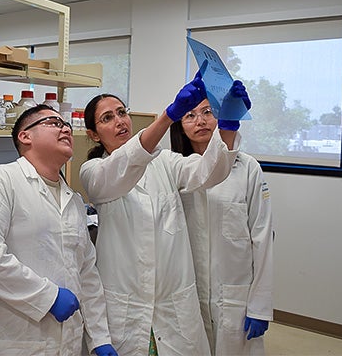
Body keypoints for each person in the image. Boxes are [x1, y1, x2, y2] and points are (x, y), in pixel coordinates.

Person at [79, 71, 250, 356]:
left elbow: (207, 173)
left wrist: (229, 126)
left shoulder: (165, 161)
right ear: (93, 134)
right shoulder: (94, 172)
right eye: (107, 118)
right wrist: (168, 116)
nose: (119, 120)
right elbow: (123, 168)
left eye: (122, 112)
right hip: (126, 307)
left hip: (174, 304)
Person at [0, 104, 116, 356]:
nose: (64, 128)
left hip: (68, 342)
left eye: (65, 124)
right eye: (54, 123)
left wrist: (99, 337)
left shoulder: (73, 199)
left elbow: (86, 272)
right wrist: (48, 297)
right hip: (14, 340)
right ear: (25, 136)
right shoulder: (0, 182)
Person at [170, 97, 273, 355]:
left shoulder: (247, 167)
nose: (201, 121)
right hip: (189, 294)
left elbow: (262, 237)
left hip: (235, 296)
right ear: (180, 126)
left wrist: (259, 304)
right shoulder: (174, 171)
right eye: (190, 115)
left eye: (207, 112)